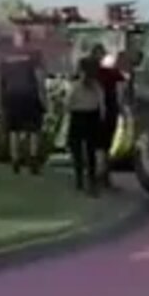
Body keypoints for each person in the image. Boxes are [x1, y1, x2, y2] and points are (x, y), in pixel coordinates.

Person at [0, 35, 48, 175]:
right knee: (33, 130)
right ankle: (33, 160)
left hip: (11, 96)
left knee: (14, 130)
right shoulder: (34, 55)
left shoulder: (5, 56)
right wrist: (44, 100)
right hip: (30, 95)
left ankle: (15, 160)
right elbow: (40, 79)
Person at [65, 56, 106, 195]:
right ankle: (91, 179)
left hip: (77, 116)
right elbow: (102, 106)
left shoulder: (76, 86)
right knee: (91, 151)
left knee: (76, 149)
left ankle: (79, 178)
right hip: (92, 117)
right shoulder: (97, 87)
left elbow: (68, 104)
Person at [88, 43, 124, 189]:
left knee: (95, 145)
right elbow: (122, 86)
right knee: (105, 144)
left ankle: (96, 173)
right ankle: (104, 175)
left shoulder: (89, 73)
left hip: (92, 110)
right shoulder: (110, 72)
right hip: (110, 110)